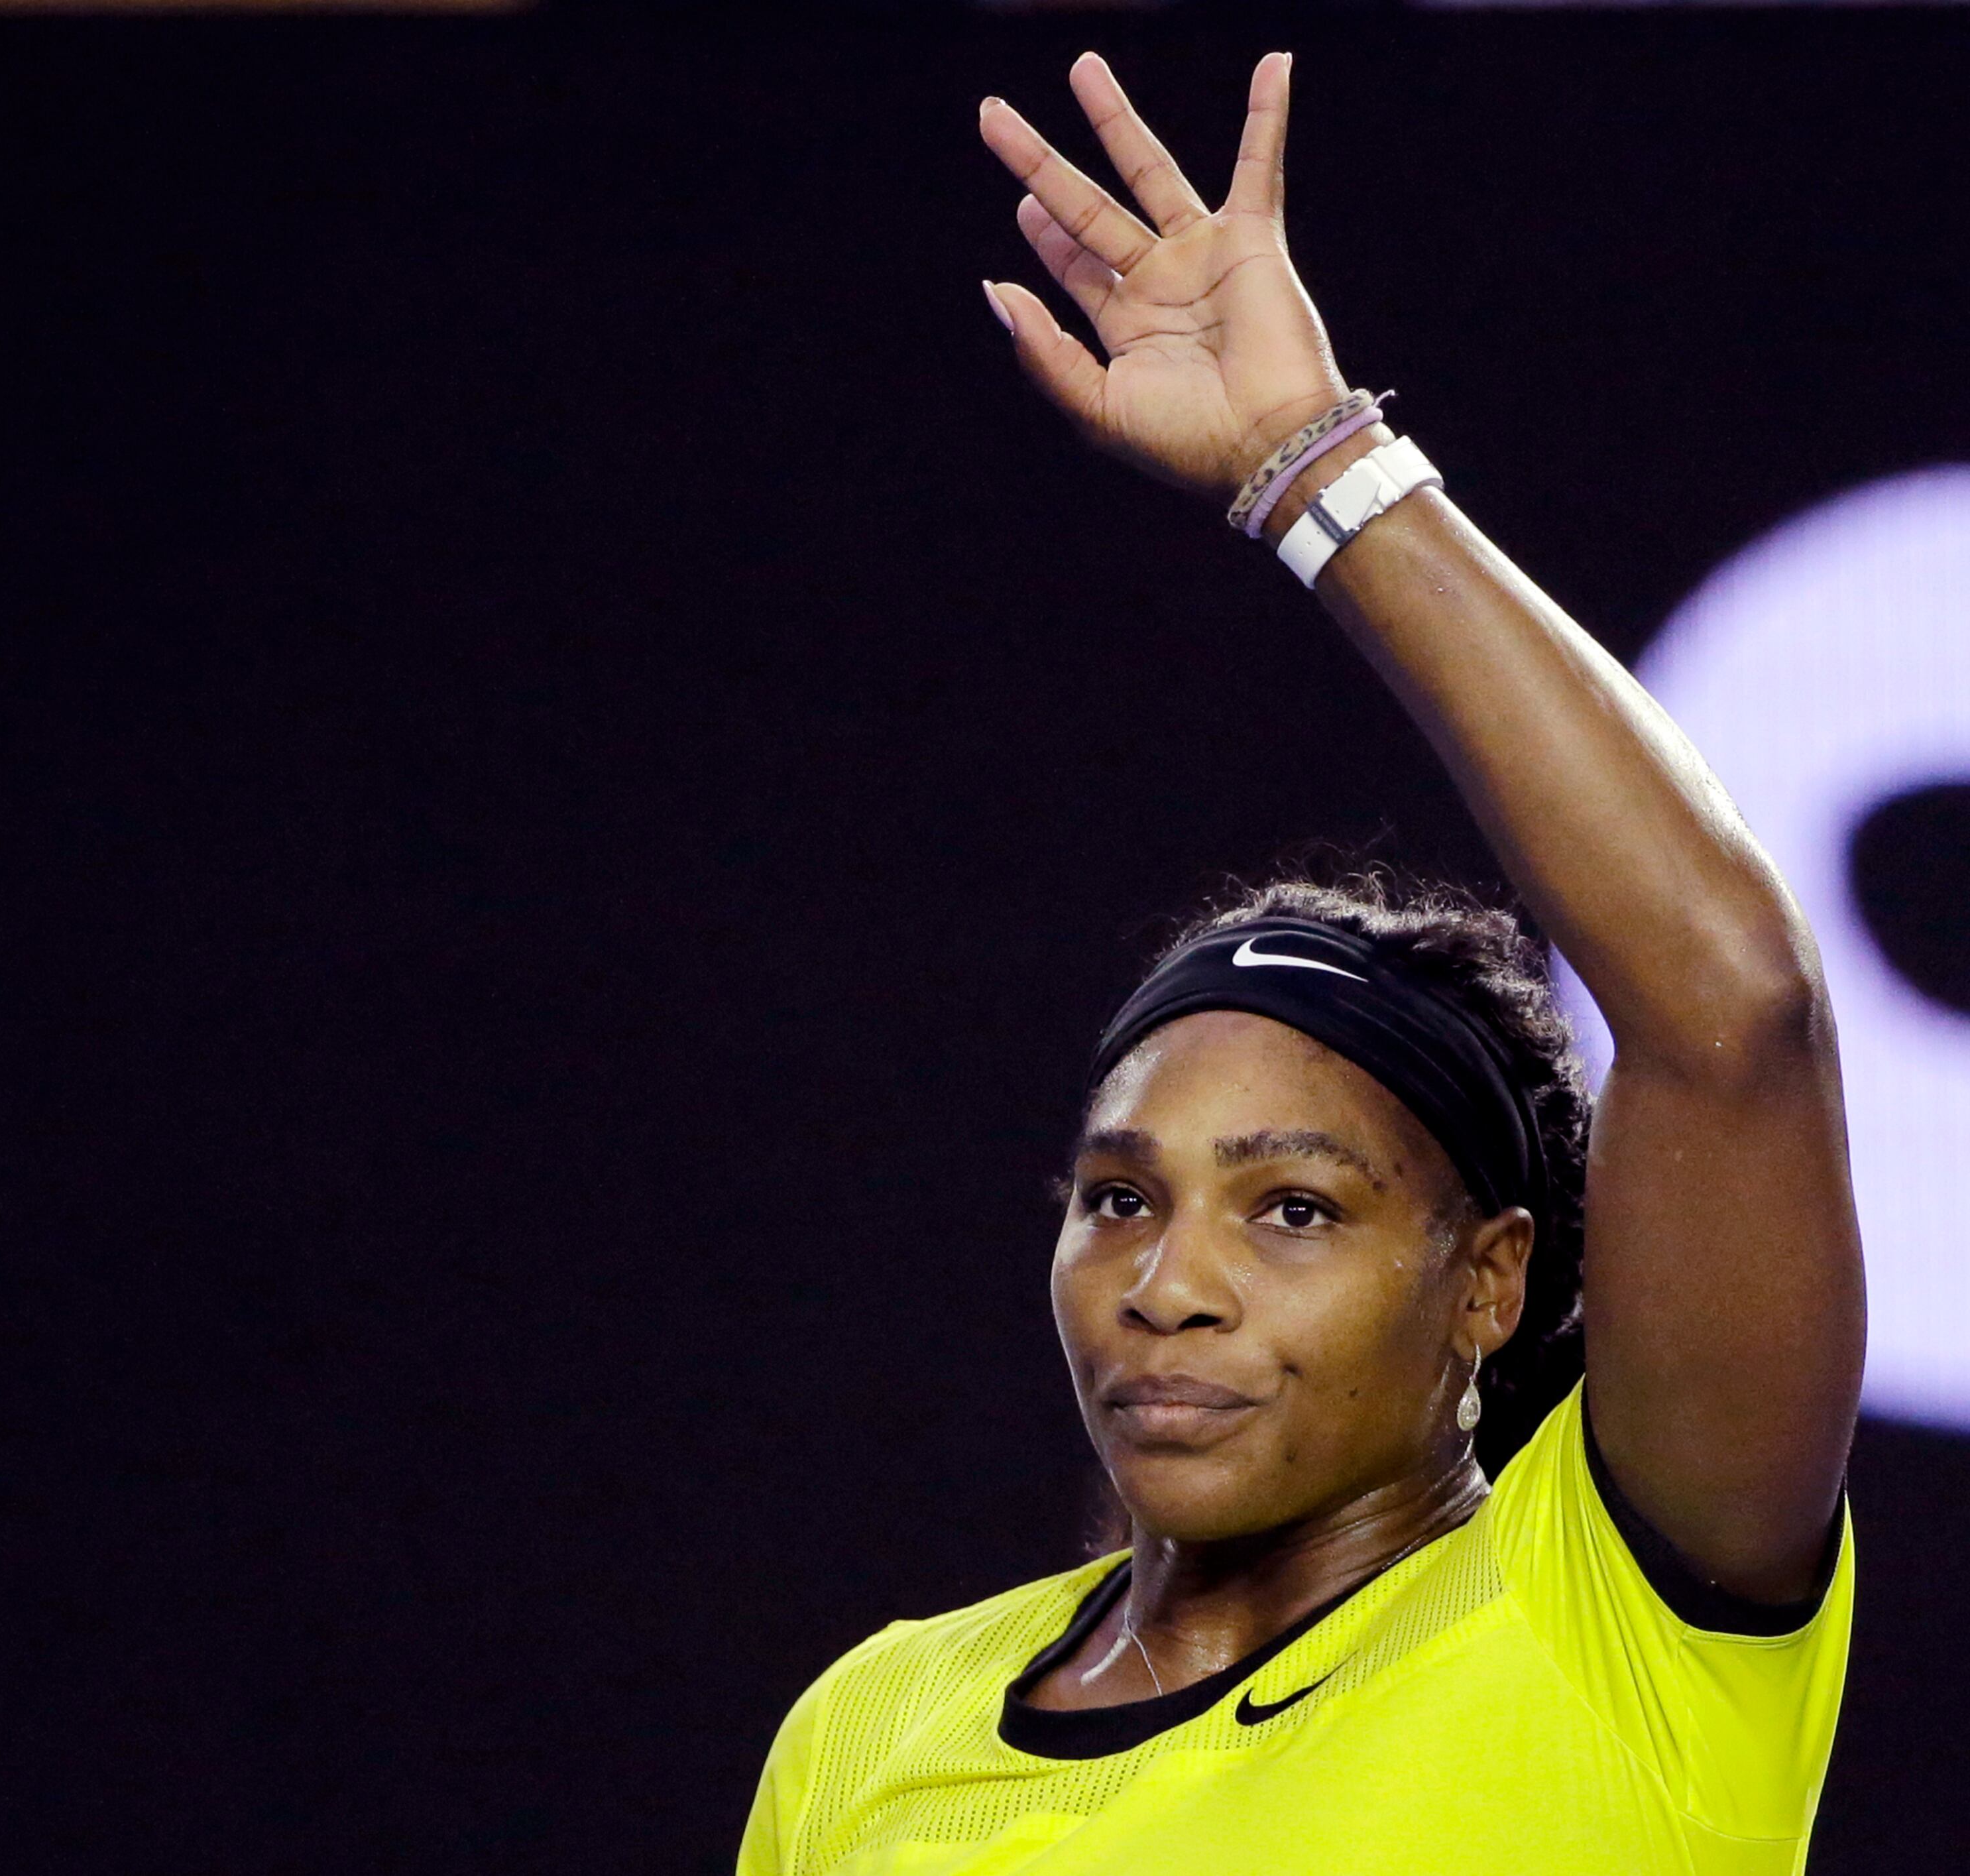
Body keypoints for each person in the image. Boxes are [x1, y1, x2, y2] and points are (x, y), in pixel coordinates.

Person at [734, 50, 1862, 1876]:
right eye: (1118, 1199)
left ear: (1490, 1285)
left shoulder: (1616, 1619)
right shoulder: (878, 1719)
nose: (1166, 1288)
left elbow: (1737, 1010)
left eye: (1297, 1211)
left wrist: (1310, 465)